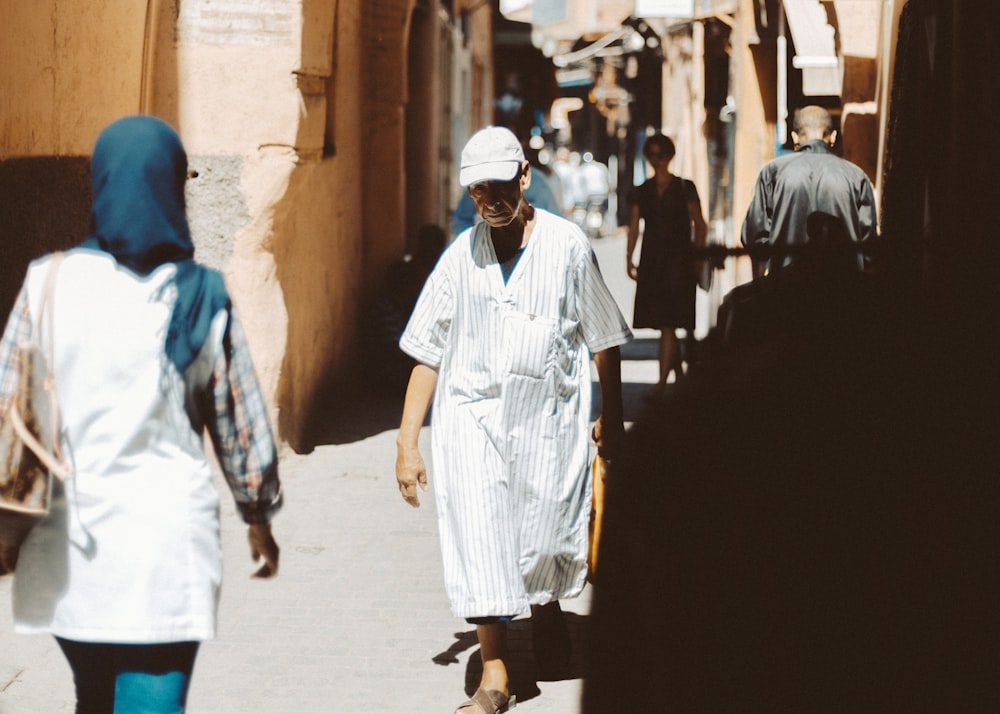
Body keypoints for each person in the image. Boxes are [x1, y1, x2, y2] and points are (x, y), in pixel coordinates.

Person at [0, 115, 282, 713]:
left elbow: (9, 404)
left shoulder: (46, 283)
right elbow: (238, 422)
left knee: (93, 698)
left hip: (69, 545)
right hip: (164, 551)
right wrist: (257, 516)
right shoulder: (201, 293)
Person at [395, 125, 631, 714]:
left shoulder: (568, 245)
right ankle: (495, 674)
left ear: (524, 178)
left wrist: (615, 415)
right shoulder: (458, 260)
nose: (490, 202)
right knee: (479, 536)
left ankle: (547, 613)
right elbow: (427, 351)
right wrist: (406, 443)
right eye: (477, 193)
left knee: (546, 534)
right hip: (471, 422)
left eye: (499, 187)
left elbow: (604, 337)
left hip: (548, 419)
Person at [741, 105, 878, 276]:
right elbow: (869, 248)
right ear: (833, 137)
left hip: (787, 290)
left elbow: (756, 240)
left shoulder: (772, 172)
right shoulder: (856, 176)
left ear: (794, 137)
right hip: (842, 292)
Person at [626, 133, 708, 397]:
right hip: (652, 262)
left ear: (670, 156)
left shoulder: (686, 188)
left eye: (661, 154)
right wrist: (629, 257)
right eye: (652, 155)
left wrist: (698, 256)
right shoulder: (641, 191)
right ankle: (679, 375)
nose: (657, 160)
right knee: (666, 322)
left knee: (669, 323)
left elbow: (700, 224)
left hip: (680, 261)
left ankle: (661, 385)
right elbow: (634, 227)